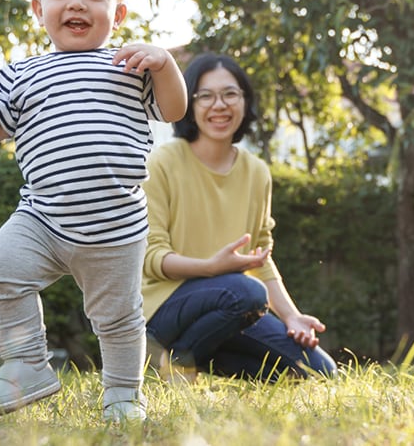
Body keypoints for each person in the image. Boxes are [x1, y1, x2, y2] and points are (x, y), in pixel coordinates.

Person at [0, 0, 187, 422]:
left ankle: (123, 394)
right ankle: (25, 365)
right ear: (39, 9)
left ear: (117, 13)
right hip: (42, 216)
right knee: (1, 266)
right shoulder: (22, 74)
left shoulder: (131, 66)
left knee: (119, 319)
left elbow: (174, 108)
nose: (76, 2)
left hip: (115, 225)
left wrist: (164, 63)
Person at [142, 52, 337, 383]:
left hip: (228, 307)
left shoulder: (257, 172)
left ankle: (194, 355)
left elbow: (260, 257)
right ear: (189, 103)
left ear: (245, 101)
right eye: (205, 96)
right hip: (162, 310)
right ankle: (174, 364)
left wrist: (292, 317)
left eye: (230, 94)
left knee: (319, 370)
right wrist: (210, 269)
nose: (219, 105)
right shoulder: (162, 163)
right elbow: (150, 258)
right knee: (247, 292)